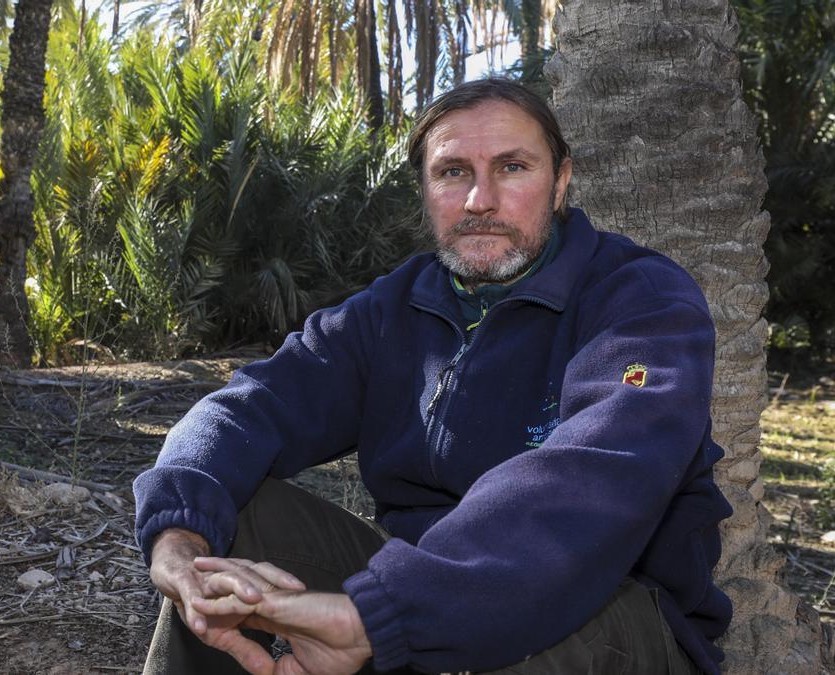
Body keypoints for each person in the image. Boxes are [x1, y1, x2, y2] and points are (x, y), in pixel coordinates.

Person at [132, 77, 732, 675]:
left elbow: (596, 475)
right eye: (452, 172)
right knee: (232, 535)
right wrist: (177, 535)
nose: (480, 200)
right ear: (425, 189)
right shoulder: (392, 309)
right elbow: (250, 405)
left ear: (561, 183)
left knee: (516, 629)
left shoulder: (642, 301)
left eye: (513, 167)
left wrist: (377, 614)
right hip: (411, 590)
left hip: (615, 611)